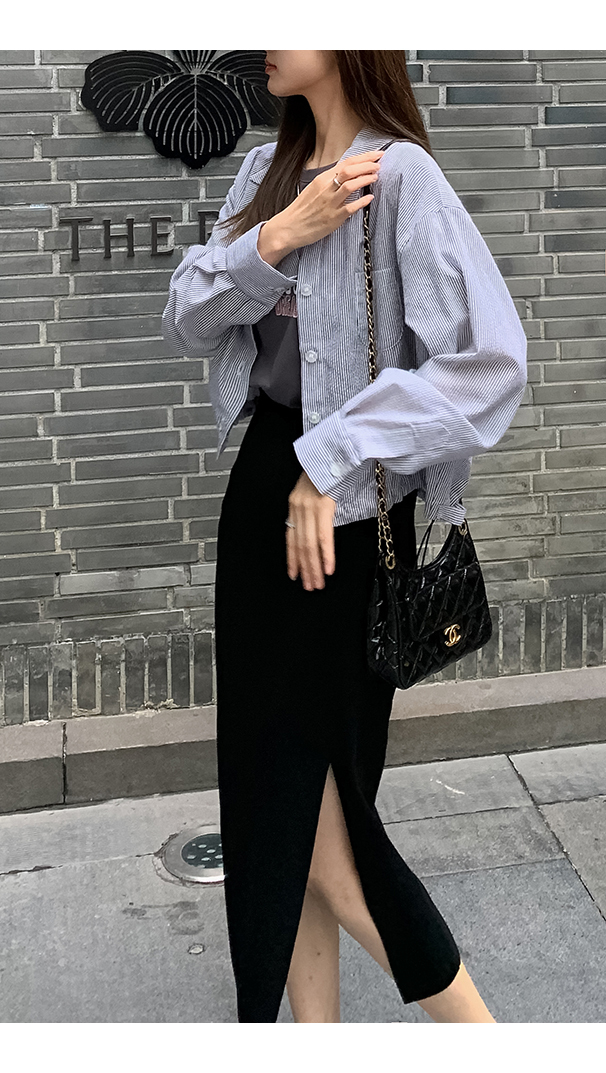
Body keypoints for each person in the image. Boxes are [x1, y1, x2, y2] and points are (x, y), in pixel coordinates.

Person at [162, 50, 527, 1023]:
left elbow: (489, 365)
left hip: (347, 520)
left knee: (328, 837)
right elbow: (186, 315)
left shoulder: (401, 176)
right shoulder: (264, 172)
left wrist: (329, 456)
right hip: (262, 508)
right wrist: (280, 234)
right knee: (277, 816)